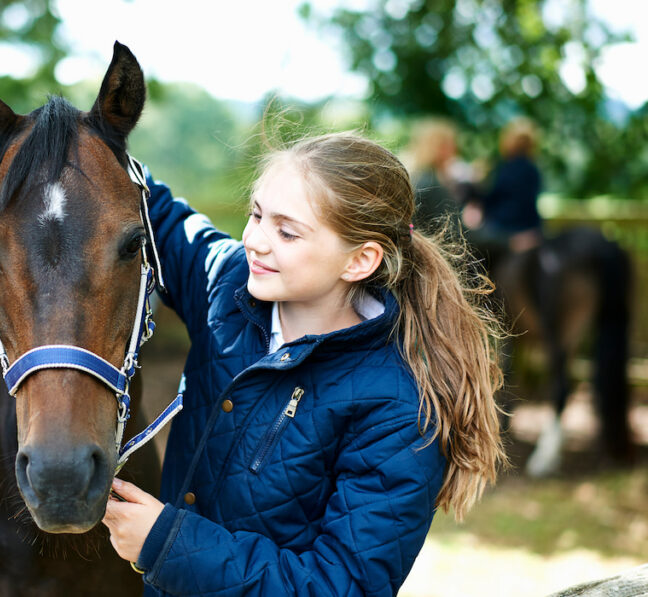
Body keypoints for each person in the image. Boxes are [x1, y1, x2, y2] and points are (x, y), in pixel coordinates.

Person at [102, 132, 507, 596]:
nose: (254, 240)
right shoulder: (229, 284)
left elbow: (343, 586)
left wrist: (166, 545)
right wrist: (86, 135)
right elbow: (150, 204)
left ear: (359, 261)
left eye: (287, 231)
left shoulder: (399, 409)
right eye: (256, 214)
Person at [463, 117, 543, 252]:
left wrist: (473, 187)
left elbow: (493, 198)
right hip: (530, 226)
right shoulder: (533, 169)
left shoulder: (505, 168)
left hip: (503, 229)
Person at [405, 118, 477, 233]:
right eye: (451, 144)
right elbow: (454, 234)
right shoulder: (431, 184)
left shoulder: (418, 178)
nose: (455, 149)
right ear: (441, 147)